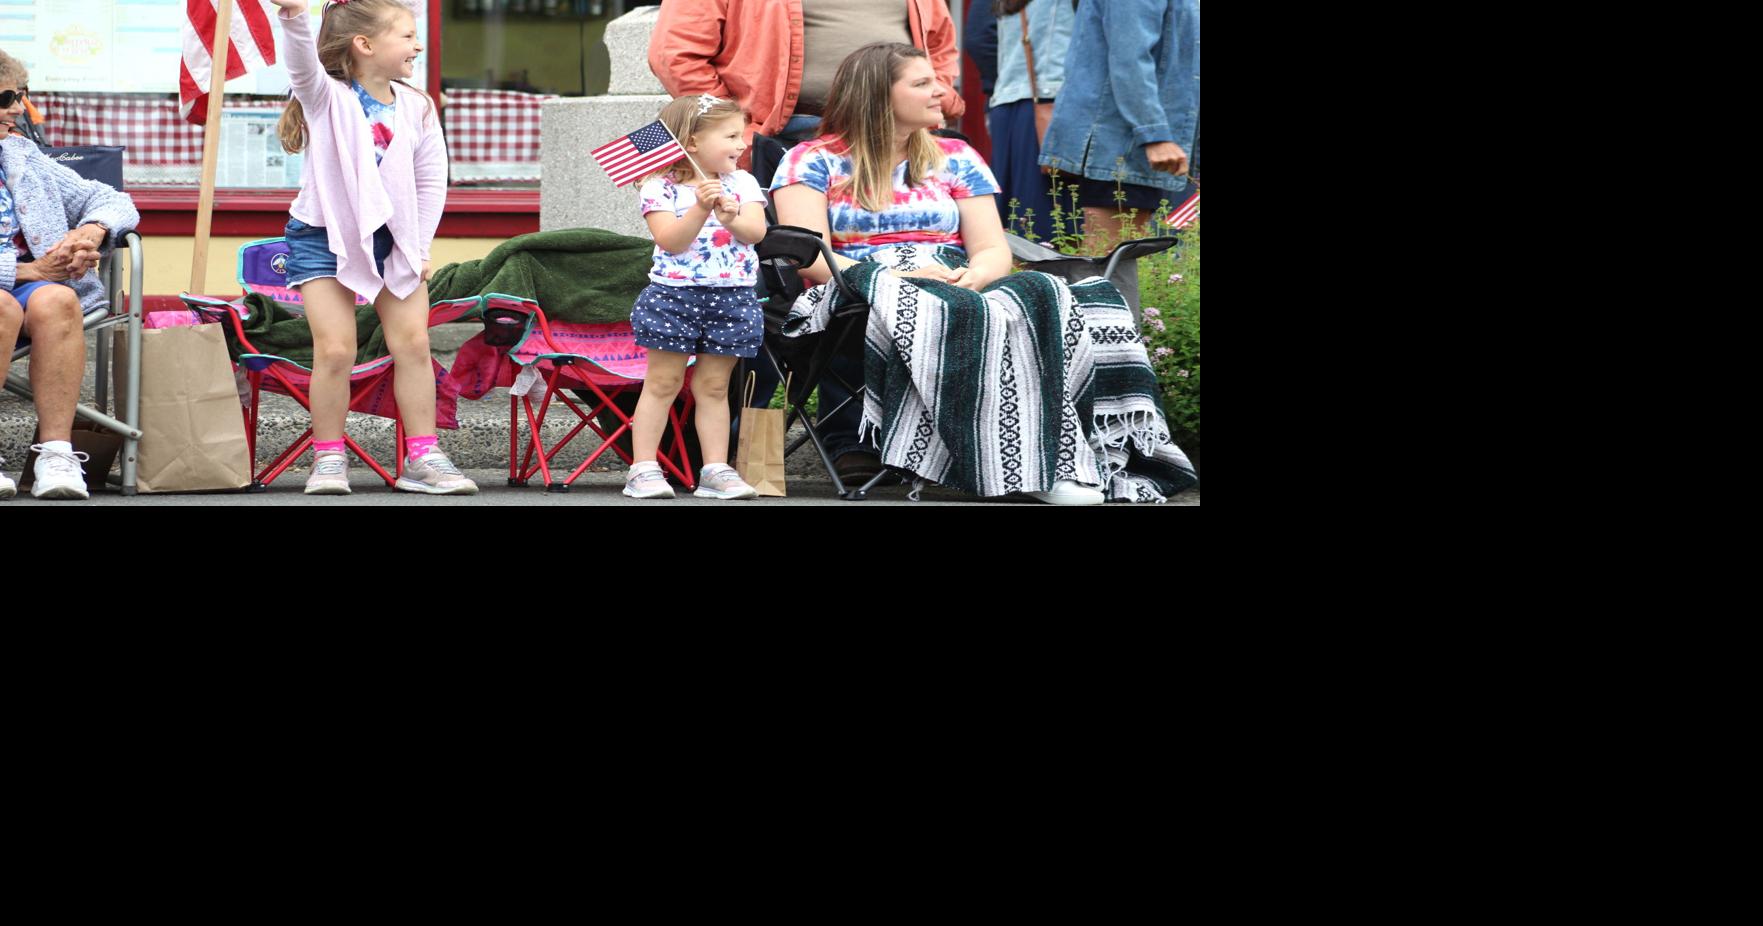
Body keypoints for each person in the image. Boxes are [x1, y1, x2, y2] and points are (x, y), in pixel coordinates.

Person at [771, 43, 1196, 504]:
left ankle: (1077, 457)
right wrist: (900, 276)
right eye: (922, 83)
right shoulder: (812, 159)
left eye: (936, 80)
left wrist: (971, 278)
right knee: (973, 311)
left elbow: (992, 248)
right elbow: (809, 255)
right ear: (876, 95)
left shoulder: (953, 155)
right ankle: (1024, 471)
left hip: (955, 278)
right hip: (855, 286)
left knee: (1059, 293)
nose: (940, 91)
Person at [270, 0, 475, 495]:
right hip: (322, 235)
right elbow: (301, 61)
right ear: (364, 45)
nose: (417, 46)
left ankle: (423, 457)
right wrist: (296, 15)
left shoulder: (418, 105)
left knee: (415, 344)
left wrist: (420, 246)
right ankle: (329, 458)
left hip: (396, 238)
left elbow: (430, 182)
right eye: (406, 36)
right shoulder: (326, 97)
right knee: (336, 349)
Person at [0, 48, 139, 500]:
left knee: (60, 299)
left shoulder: (20, 155)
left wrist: (90, 231)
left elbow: (111, 197)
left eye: (20, 95)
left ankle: (56, 454)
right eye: (5, 98)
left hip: (35, 290)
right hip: (6, 292)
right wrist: (23, 268)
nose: (18, 108)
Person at [622, 95, 765, 501]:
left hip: (733, 297)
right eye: (732, 135)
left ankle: (715, 469)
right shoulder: (658, 186)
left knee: (715, 387)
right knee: (663, 382)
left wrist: (732, 217)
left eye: (742, 134)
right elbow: (670, 240)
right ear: (692, 141)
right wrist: (701, 209)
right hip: (673, 296)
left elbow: (757, 233)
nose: (742, 144)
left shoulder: (744, 182)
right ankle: (643, 468)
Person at [1037, 0, 1199, 243]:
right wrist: (1154, 134)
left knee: (1123, 259)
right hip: (1118, 138)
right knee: (1112, 261)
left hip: (1140, 136)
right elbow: (1130, 57)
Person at [987, 0, 1073, 241]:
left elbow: (978, 37)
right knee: (1051, 218)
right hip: (1048, 103)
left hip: (1007, 102)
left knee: (1015, 217)